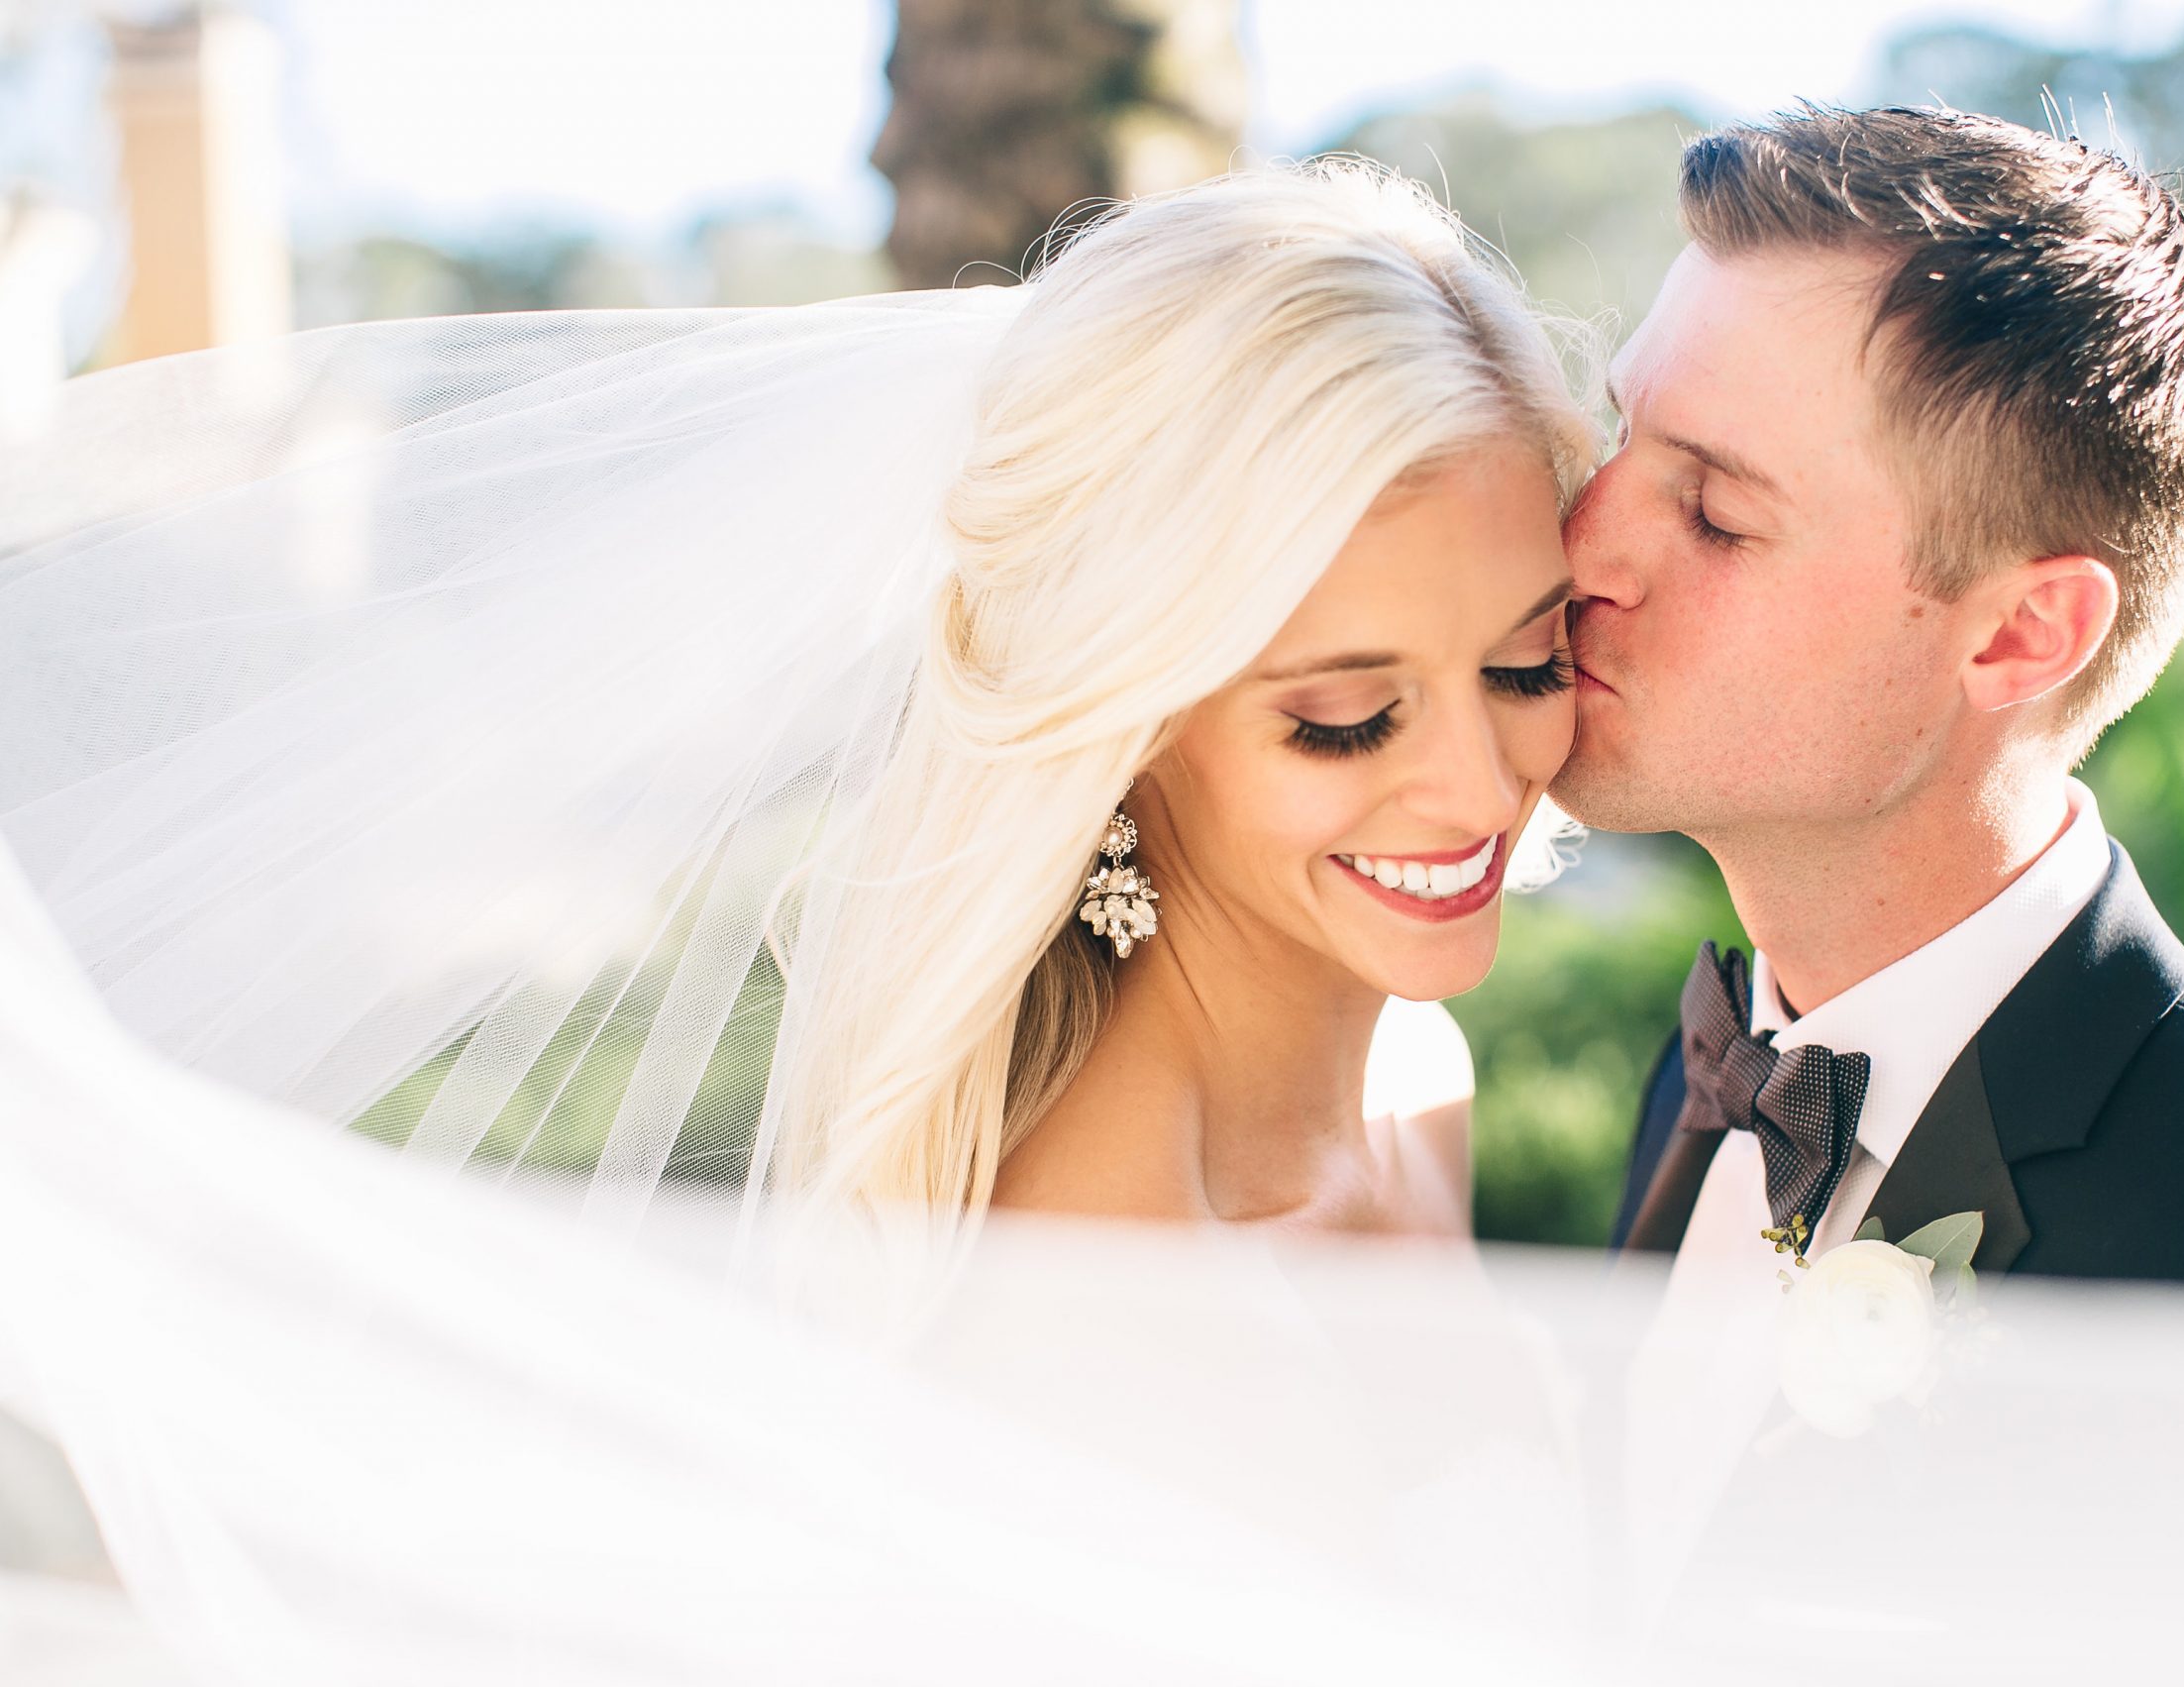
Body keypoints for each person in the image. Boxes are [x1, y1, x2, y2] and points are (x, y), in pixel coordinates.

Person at [0, 160, 1596, 1281]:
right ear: (1124, 716)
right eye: (1344, 717)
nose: (1477, 781)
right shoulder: (1104, 1295)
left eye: (1525, 667)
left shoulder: (1416, 1073)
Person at [1565, 105, 2184, 1321]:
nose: (1583, 544)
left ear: (2022, 633)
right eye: (1616, 434)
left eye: (1715, 516)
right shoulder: (1722, 1066)